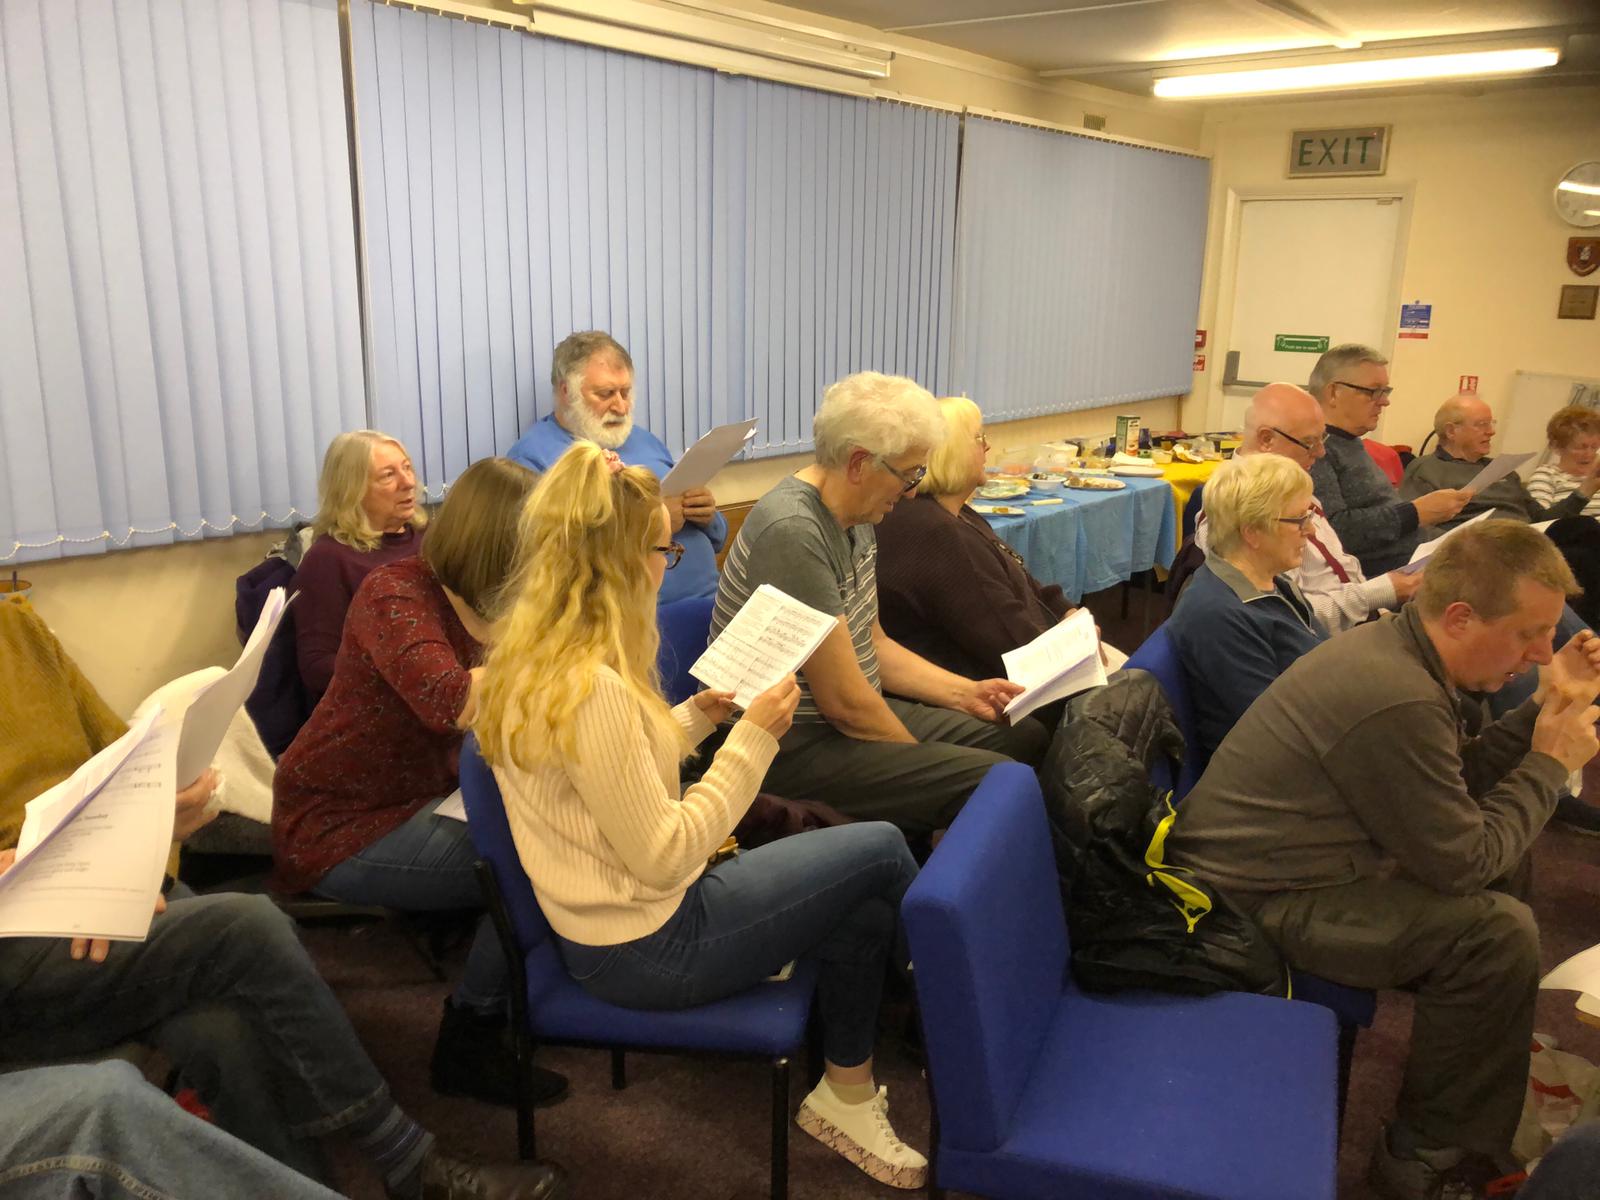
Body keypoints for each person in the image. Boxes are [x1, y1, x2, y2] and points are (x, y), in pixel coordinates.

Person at [475, 441, 928, 1189]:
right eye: (665, 550)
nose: (669, 563)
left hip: (611, 929)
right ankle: (946, 1013)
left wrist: (696, 719)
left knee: (863, 902)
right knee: (878, 848)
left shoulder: (532, 657)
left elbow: (598, 776)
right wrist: (753, 741)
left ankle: (847, 1092)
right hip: (647, 947)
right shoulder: (593, 687)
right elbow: (663, 855)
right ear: (622, 562)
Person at [1166, 520, 1600, 1200]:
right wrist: (1548, 763)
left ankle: (1476, 1067)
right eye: (1529, 633)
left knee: (1503, 865)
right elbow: (1464, 863)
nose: (1544, 652)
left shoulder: (1401, 653)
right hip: (1246, 905)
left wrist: (1541, 708)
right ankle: (1425, 1156)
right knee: (1494, 932)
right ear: (1460, 617)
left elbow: (1456, 783)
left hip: (1295, 867)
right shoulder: (1396, 693)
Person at [0, 850, 567, 1200]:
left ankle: (334, 1182)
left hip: (92, 894)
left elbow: (121, 775)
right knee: (248, 925)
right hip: (27, 935)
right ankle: (404, 1157)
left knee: (222, 1028)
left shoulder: (47, 676)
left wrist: (152, 835)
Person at [273, 457, 566, 1109]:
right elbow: (450, 701)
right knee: (537, 862)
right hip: (341, 820)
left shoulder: (499, 603)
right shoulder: (396, 594)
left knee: (564, 831)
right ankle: (470, 1034)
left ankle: (535, 995)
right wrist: (546, 654)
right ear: (500, 545)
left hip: (430, 796)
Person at [711, 373, 1049, 840]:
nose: (911, 491)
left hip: (837, 722)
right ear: (858, 463)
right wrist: (922, 764)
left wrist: (964, 693)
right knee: (990, 780)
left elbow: (875, 643)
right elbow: (845, 704)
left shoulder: (860, 512)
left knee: (1025, 735)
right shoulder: (793, 530)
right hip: (786, 744)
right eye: (909, 473)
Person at [876, 396, 1119, 681]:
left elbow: (1021, 579)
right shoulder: (937, 533)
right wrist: (1073, 644)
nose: (987, 446)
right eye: (979, 437)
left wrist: (1066, 613)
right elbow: (1008, 640)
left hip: (1013, 658)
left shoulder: (957, 513)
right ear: (952, 451)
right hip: (989, 682)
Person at [506, 330, 727, 604]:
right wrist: (653, 524)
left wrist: (707, 516)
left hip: (715, 599)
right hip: (635, 616)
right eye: (606, 394)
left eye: (625, 392)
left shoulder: (644, 440)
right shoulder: (534, 458)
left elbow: (719, 539)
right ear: (566, 391)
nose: (621, 407)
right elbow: (548, 562)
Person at [1197, 382, 1422, 634]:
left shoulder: (1294, 489)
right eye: (1309, 442)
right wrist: (1381, 592)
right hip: (1326, 640)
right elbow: (1288, 616)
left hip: (1364, 619)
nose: (1321, 452)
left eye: (1322, 438)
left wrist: (1380, 603)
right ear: (1267, 439)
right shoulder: (1239, 512)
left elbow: (1338, 571)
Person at [1168, 453, 1327, 764]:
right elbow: (1277, 731)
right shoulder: (1218, 614)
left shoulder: (1274, 583)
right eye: (1299, 520)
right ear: (1252, 531)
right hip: (1276, 771)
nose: (1311, 531)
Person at [1306, 344, 1471, 575]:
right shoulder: (1315, 450)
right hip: (1389, 575)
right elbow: (1333, 531)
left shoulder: (1350, 442)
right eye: (1373, 391)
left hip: (1419, 556)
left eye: (1386, 391)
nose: (1384, 401)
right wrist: (1415, 512)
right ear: (1334, 392)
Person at [295, 430, 426, 702]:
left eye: (407, 468)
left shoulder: (430, 540)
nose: (408, 482)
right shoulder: (328, 560)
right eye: (388, 475)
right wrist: (403, 677)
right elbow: (317, 666)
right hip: (377, 705)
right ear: (352, 491)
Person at [1401, 395, 1600, 528]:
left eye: (1491, 423)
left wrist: (1585, 491)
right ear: (1452, 431)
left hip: (1527, 545)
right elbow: (1414, 525)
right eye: (1481, 425)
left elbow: (1542, 521)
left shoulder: (1504, 471)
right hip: (1473, 552)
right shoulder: (1426, 469)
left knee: (1583, 530)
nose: (1491, 431)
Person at [1528, 405, 1600, 518]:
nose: (1589, 454)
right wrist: (1585, 491)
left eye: (1594, 446)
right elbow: (1540, 521)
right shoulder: (1547, 475)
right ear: (1557, 447)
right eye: (1580, 447)